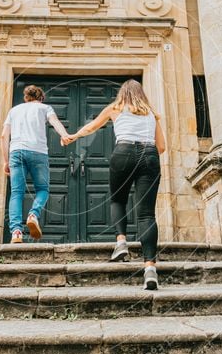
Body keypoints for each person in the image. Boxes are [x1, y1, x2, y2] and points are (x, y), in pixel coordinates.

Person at [63, 80, 166, 290]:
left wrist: (72, 136)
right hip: (149, 155)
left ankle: (121, 242)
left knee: (118, 198)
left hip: (123, 152)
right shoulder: (152, 114)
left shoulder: (115, 108)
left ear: (122, 94)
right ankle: (150, 270)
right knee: (147, 214)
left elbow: (91, 127)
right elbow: (162, 147)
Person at [1, 85, 70, 244]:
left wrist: (6, 160)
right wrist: (64, 135)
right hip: (38, 152)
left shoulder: (14, 111)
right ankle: (33, 214)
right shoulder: (45, 108)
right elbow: (55, 122)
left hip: (16, 152)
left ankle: (16, 232)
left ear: (26, 97)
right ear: (41, 98)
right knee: (43, 190)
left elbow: (4, 136)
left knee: (17, 193)